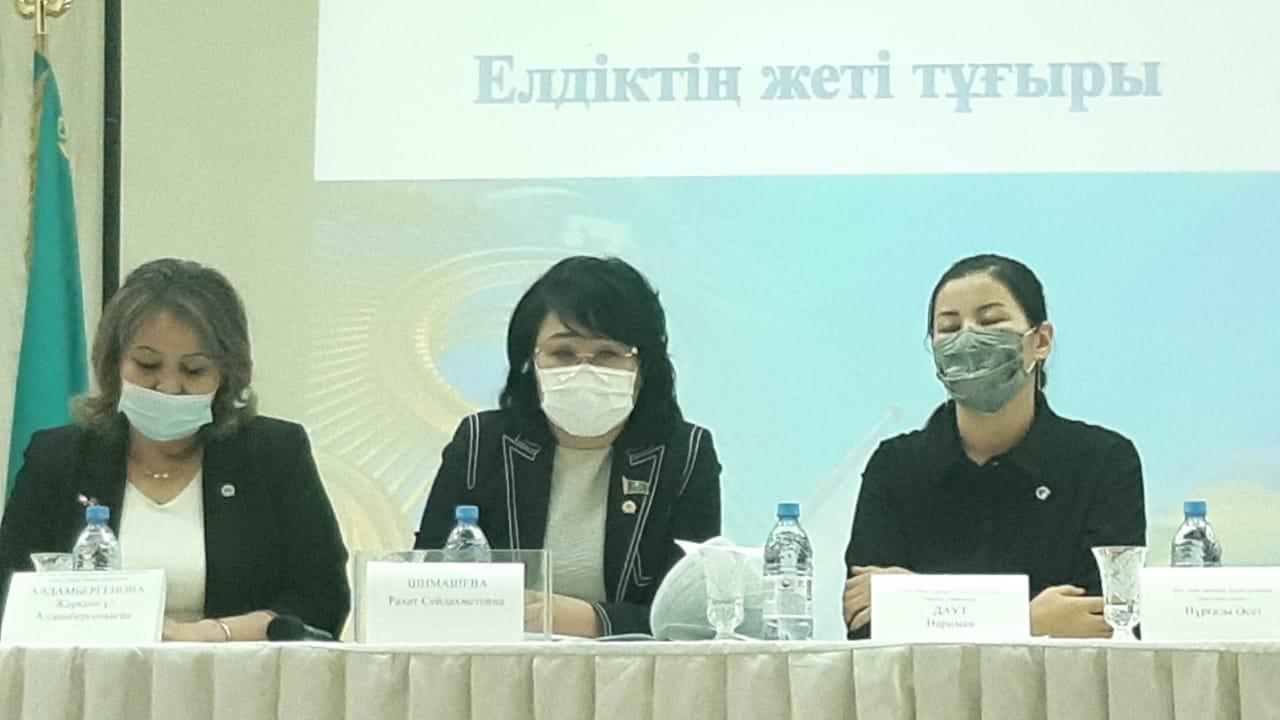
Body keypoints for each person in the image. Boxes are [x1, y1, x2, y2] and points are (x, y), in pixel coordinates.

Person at [0, 259, 350, 640]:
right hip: (90, 672)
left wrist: (213, 634)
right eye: (147, 364)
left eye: (193, 370)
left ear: (225, 374)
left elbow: (323, 598)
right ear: (114, 363)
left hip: (235, 671)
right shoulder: (59, 457)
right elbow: (11, 591)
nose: (168, 387)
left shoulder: (274, 453)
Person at [415, 256, 722, 637]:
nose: (584, 369)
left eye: (608, 354)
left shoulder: (686, 454)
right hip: (498, 661)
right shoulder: (482, 443)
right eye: (562, 354)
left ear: (643, 368)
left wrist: (593, 621)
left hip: (632, 666)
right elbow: (423, 584)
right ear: (530, 364)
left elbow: (693, 615)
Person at [843, 254, 1146, 638]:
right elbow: (866, 623)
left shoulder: (1104, 462)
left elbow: (1106, 619)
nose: (968, 338)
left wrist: (918, 601)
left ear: (1040, 341)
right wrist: (1026, 621)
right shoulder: (895, 467)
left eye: (990, 321)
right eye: (949, 327)